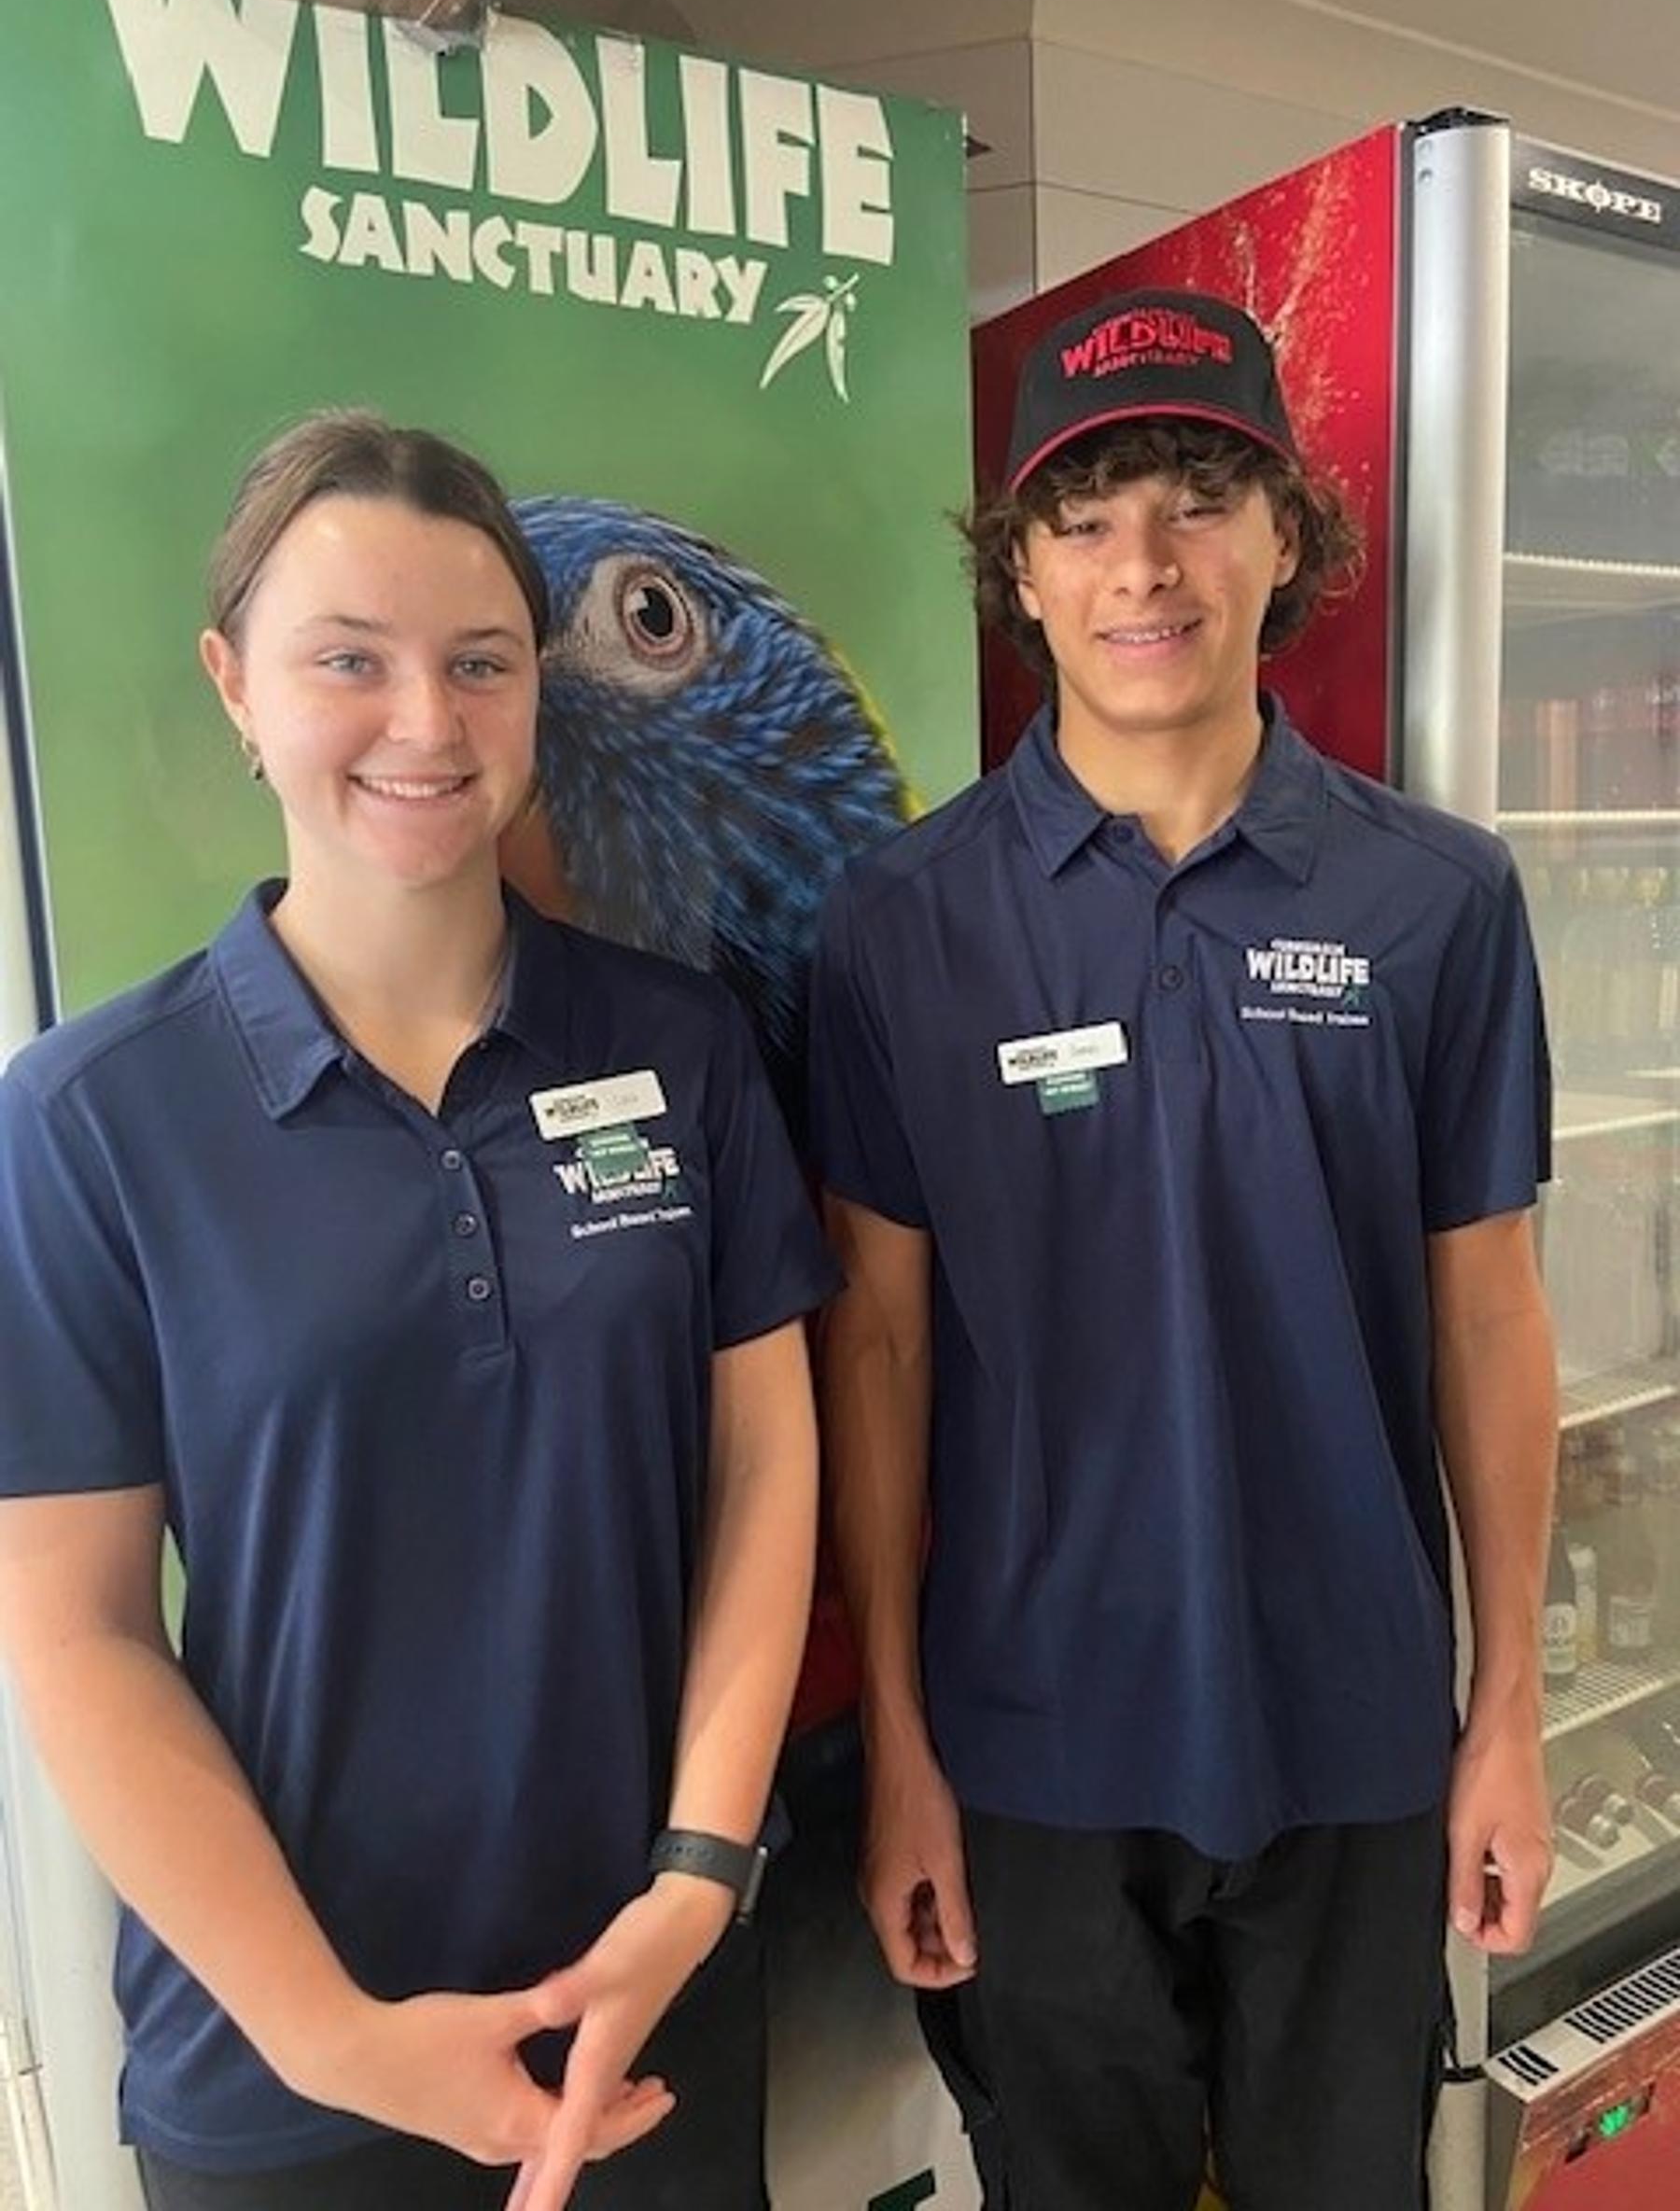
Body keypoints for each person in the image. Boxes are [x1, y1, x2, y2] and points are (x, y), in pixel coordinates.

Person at [0, 411, 834, 2211]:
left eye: (479, 662)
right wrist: (328, 2035)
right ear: (235, 686)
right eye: (348, 662)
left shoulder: (680, 1048)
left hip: (650, 2001)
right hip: (291, 2068)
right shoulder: (89, 1118)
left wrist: (700, 1877)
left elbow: (767, 1465)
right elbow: (77, 1629)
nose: (427, 724)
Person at [810, 287, 1557, 2211]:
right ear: (1022, 574)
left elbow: (1487, 1316)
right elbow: (877, 1346)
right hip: (1033, 1745)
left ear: (1288, 534)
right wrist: (899, 1746)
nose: (1143, 563)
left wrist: (1506, 1713)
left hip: (1355, 1734)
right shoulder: (898, 927)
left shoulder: (1438, 900)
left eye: (1199, 499)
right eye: (1084, 517)